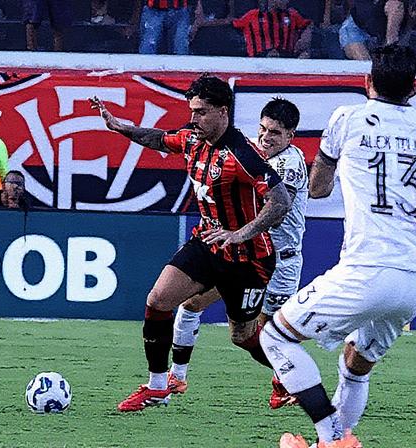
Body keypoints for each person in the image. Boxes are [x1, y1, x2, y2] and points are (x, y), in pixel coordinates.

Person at [261, 44, 416, 448]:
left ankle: (329, 431)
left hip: (365, 270)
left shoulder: (347, 119)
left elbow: (318, 188)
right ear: (414, 88)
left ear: (367, 82)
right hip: (415, 280)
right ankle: (330, 445)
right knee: (355, 366)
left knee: (275, 336)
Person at [90, 74, 292, 412]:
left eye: (200, 112)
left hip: (247, 258)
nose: (193, 118)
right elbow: (157, 138)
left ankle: (288, 373)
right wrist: (119, 127)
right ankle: (158, 385)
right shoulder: (191, 141)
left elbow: (280, 200)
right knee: (158, 300)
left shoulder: (241, 154)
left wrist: (239, 233)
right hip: (207, 244)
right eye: (192, 111)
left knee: (242, 336)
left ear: (223, 112)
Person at [168, 98, 309, 409]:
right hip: (243, 256)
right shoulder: (252, 154)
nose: (266, 137)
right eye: (262, 129)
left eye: (275, 132)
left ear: (290, 137)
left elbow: (276, 211)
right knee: (191, 302)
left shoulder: (290, 164)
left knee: (269, 336)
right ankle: (175, 377)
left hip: (279, 263)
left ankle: (292, 379)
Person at [231, 0, 314, 58]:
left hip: (286, 61)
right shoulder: (252, 15)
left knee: (307, 55)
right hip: (257, 61)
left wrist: (305, 37)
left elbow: (309, 24)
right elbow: (232, 24)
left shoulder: (292, 15)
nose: (287, 1)